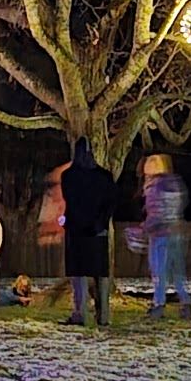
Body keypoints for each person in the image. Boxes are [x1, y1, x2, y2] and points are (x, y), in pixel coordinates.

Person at [60, 137, 119, 327]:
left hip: (77, 231)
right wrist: (100, 222)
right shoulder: (105, 177)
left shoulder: (69, 176)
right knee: (100, 274)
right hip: (97, 230)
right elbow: (111, 203)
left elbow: (70, 200)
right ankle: (103, 316)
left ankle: (81, 313)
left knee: (80, 274)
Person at [142, 154, 191, 320]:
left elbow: (156, 212)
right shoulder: (175, 183)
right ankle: (186, 305)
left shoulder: (154, 187)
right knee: (177, 272)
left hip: (160, 234)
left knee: (159, 272)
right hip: (176, 232)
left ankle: (158, 304)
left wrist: (145, 228)